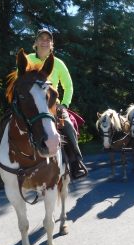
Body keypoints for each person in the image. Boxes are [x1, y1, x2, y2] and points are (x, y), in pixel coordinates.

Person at [26, 28, 87, 179]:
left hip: (53, 104)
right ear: (36, 42)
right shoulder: (27, 60)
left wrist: (64, 105)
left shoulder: (58, 63)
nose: (44, 41)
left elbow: (69, 86)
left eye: (48, 39)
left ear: (52, 44)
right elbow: (18, 81)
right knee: (5, 125)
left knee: (68, 125)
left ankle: (76, 163)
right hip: (30, 104)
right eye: (42, 38)